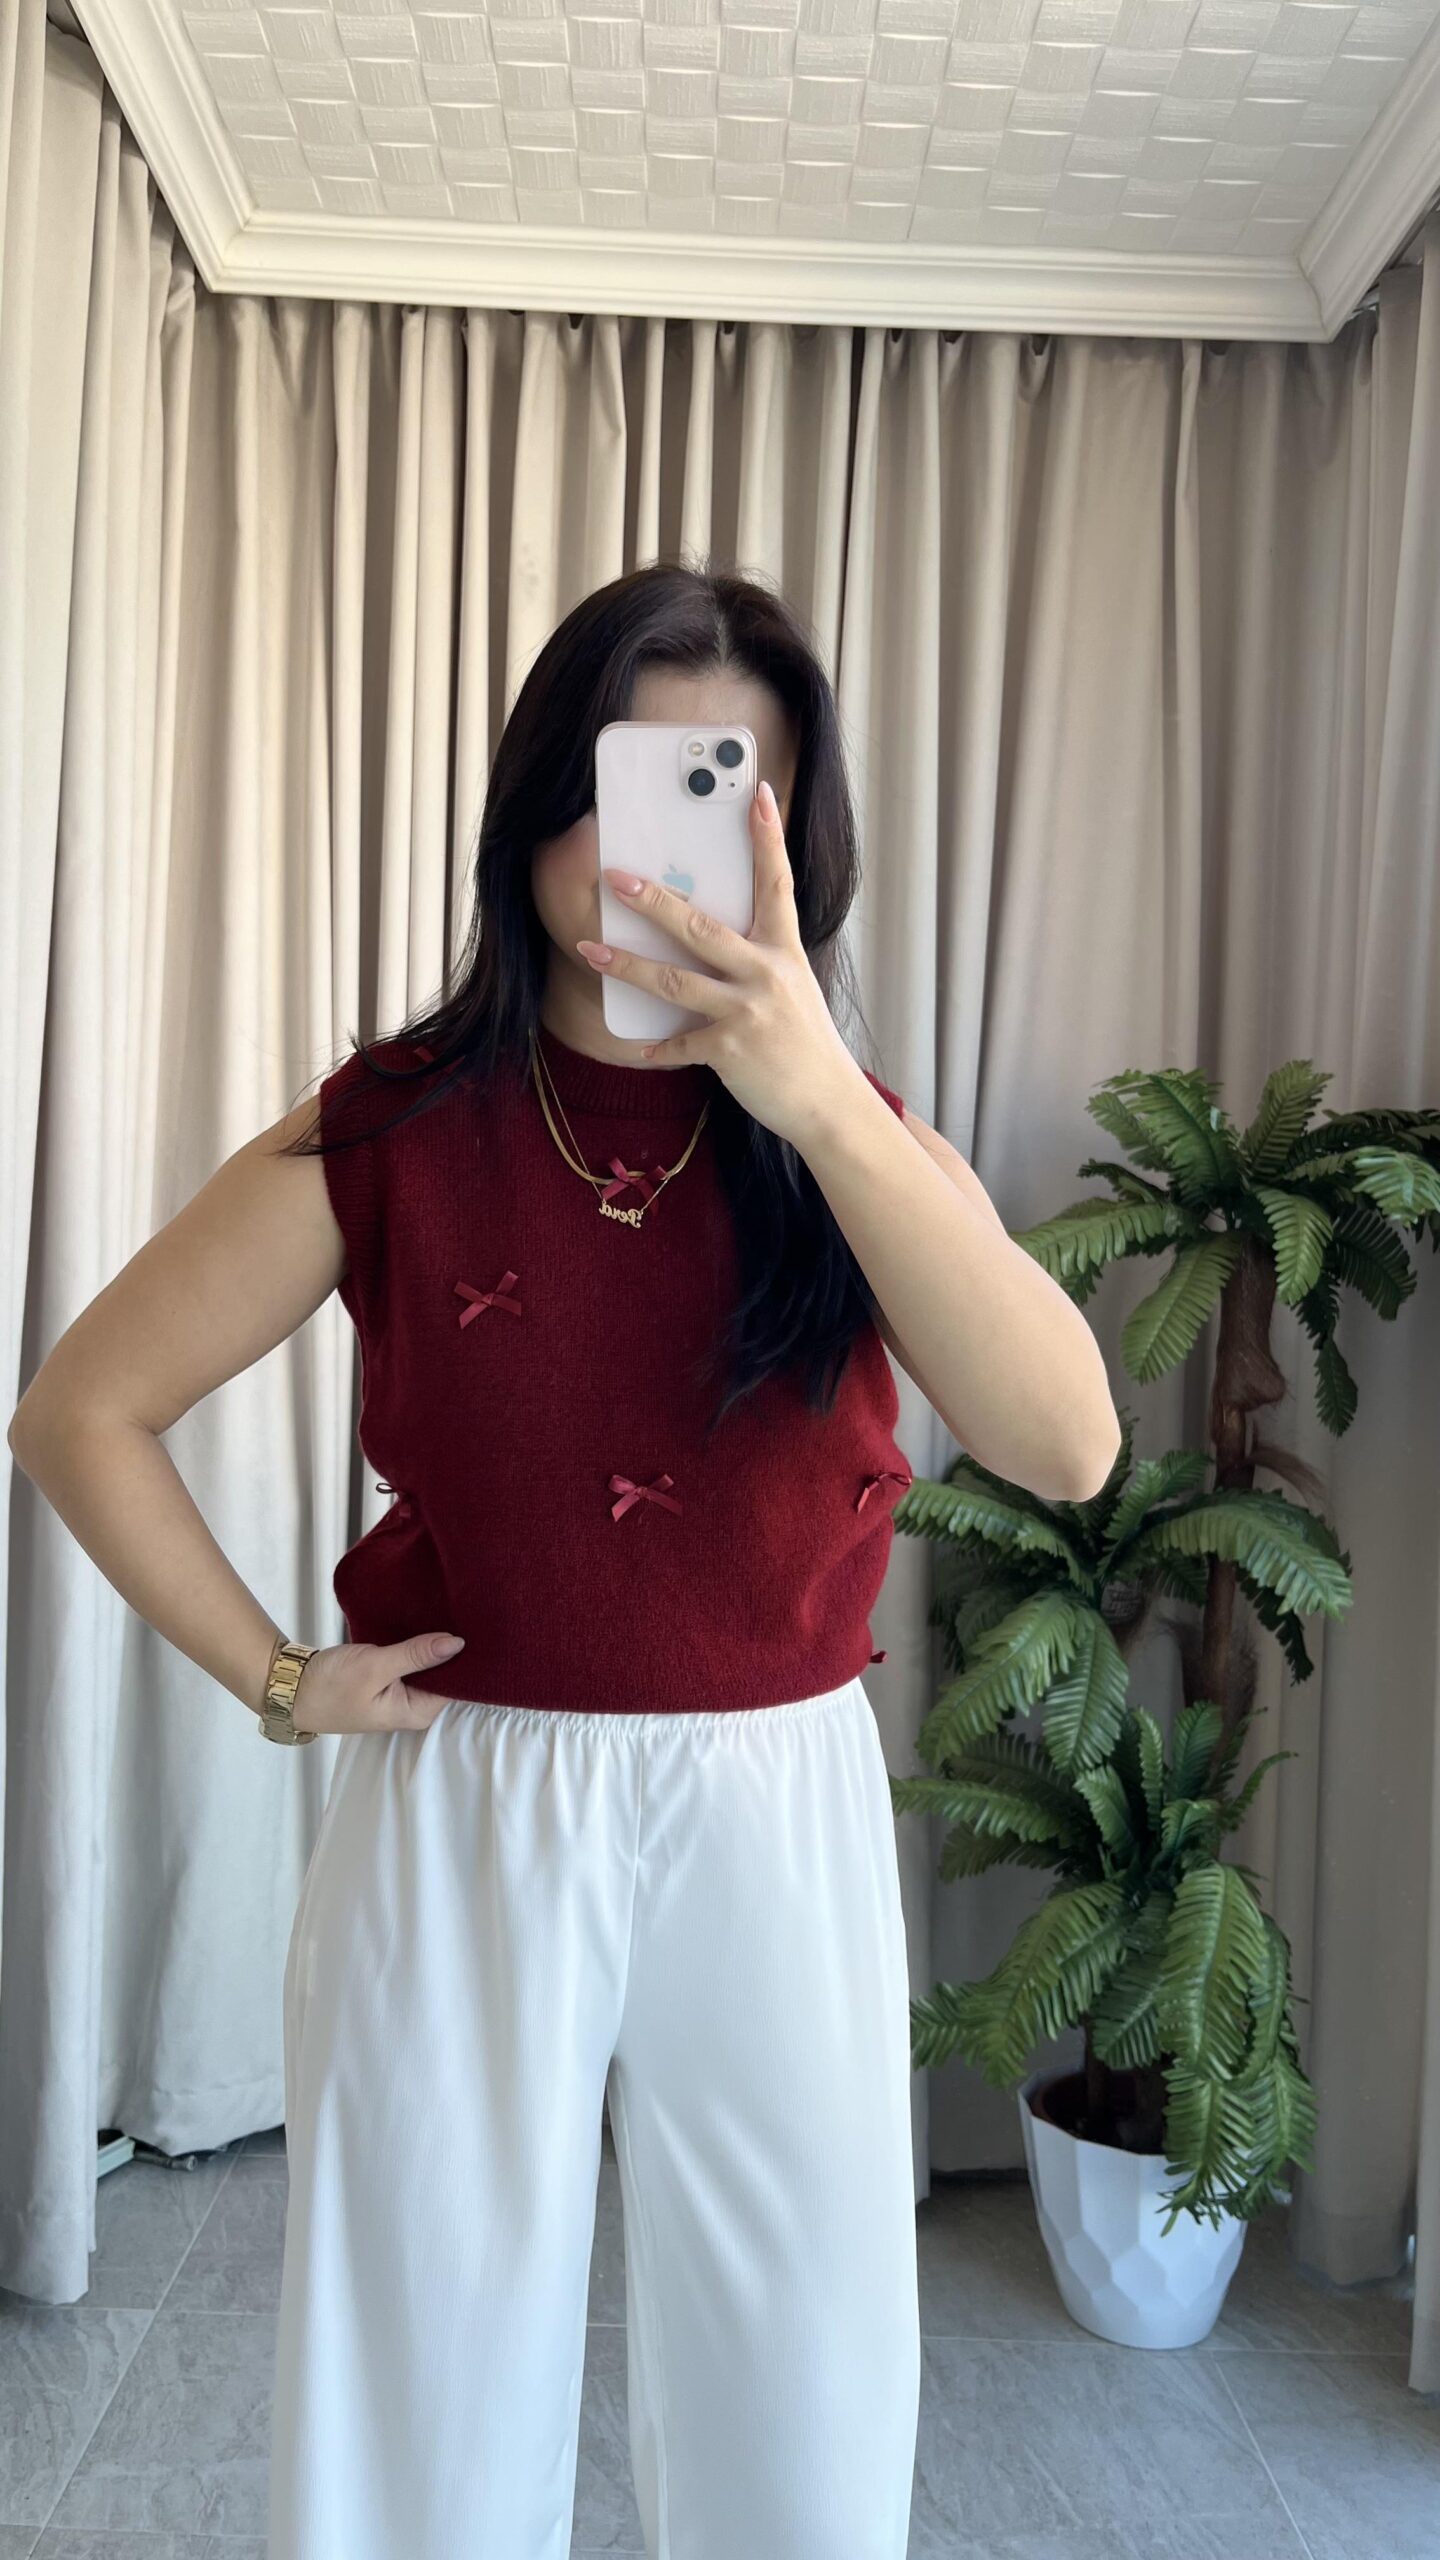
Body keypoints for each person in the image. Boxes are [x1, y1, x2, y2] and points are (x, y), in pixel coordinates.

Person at [7, 561, 1121, 2559]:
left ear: (791, 838)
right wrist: (282, 1675)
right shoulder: (398, 1125)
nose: (657, 850)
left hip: (773, 1793)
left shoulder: (850, 1138)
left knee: (804, 2393)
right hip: (465, 1798)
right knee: (417, 2398)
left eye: (725, 788)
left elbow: (1070, 1441)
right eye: (623, 783)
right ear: (536, 809)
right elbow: (81, 1408)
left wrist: (818, 1101)